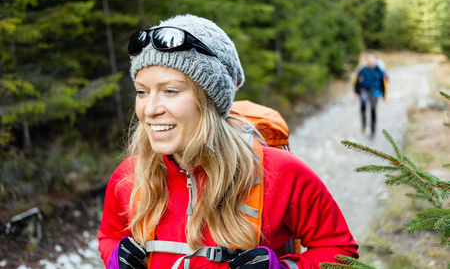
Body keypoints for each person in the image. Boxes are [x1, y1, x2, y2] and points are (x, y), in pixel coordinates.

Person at [97, 14, 359, 269]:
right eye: (142, 92)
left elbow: (340, 252)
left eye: (170, 91)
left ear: (211, 99)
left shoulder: (280, 172)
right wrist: (115, 257)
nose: (150, 109)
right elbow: (109, 236)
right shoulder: (130, 176)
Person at [354, 51, 387, 138]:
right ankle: (364, 125)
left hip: (375, 91)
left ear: (375, 59)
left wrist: (384, 95)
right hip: (364, 90)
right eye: (368, 58)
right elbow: (357, 80)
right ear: (366, 59)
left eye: (371, 58)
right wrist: (356, 92)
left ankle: (373, 131)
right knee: (363, 105)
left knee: (373, 110)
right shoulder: (363, 69)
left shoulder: (379, 70)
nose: (370, 60)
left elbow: (383, 82)